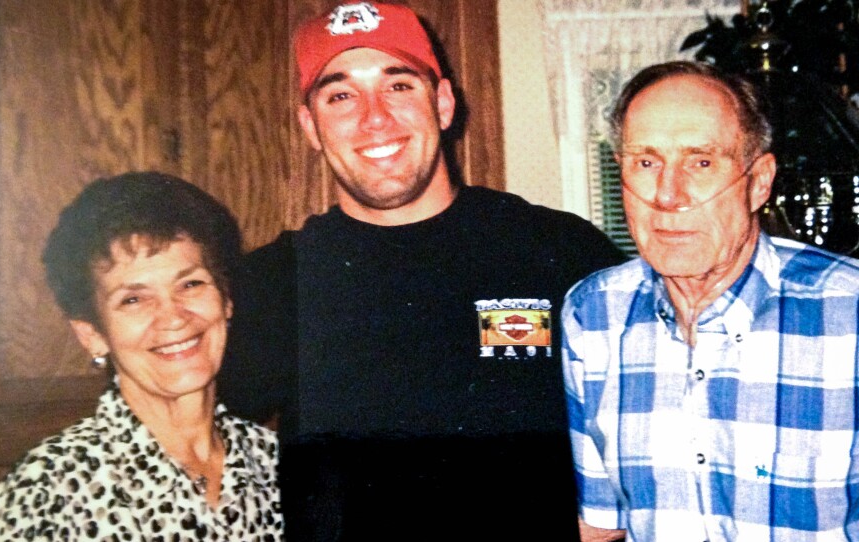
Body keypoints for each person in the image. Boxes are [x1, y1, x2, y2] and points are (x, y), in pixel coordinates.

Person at [217, 2, 625, 540]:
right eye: (340, 95)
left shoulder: (558, 250)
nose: (374, 117)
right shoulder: (270, 284)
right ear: (309, 126)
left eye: (399, 85)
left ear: (444, 102)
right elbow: (188, 446)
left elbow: (652, 421)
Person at [562, 60, 859, 542]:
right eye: (645, 162)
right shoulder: (592, 316)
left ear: (759, 181)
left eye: (701, 162)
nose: (667, 195)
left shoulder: (848, 313)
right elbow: (600, 526)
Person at [0, 172, 285, 540]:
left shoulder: (276, 464)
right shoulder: (49, 490)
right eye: (134, 299)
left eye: (191, 284)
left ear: (226, 300)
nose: (173, 317)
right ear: (92, 335)